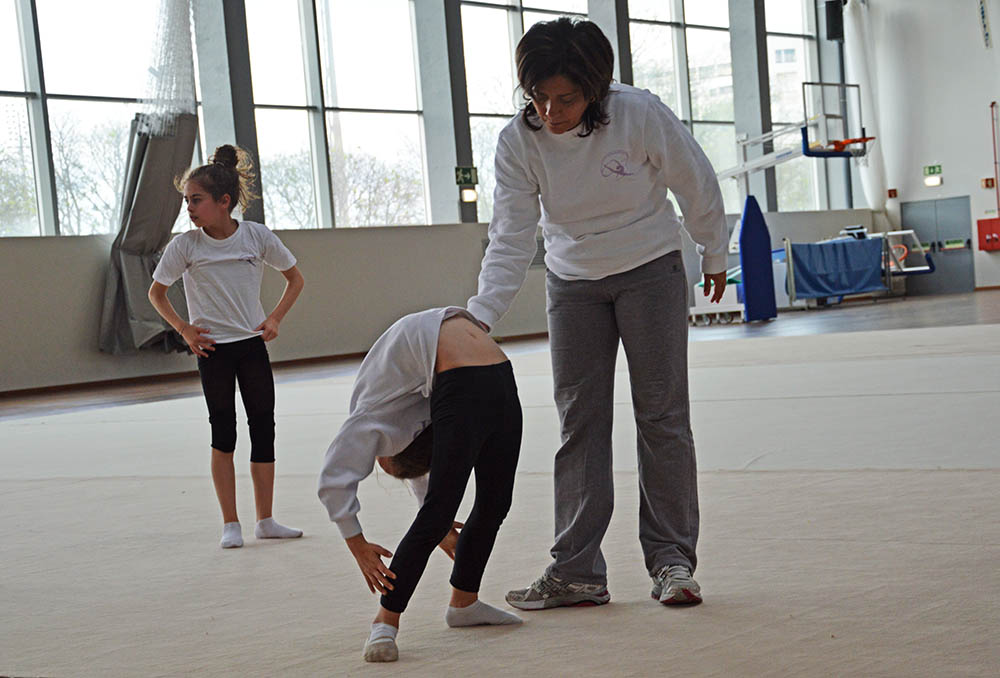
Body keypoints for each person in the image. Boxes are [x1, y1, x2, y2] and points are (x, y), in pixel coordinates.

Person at [466, 18, 728, 610]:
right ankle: (577, 569)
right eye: (538, 97)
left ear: (597, 88)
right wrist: (481, 313)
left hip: (650, 266)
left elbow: (695, 180)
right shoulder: (519, 141)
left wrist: (715, 252)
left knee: (661, 415)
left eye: (566, 98)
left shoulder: (637, 113)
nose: (551, 111)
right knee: (578, 421)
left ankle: (672, 562)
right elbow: (510, 236)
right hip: (573, 280)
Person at [318, 307, 523, 663]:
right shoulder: (384, 421)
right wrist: (356, 541)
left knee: (494, 503)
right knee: (437, 515)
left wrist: (435, 523)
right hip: (465, 376)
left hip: (495, 373)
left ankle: (464, 603)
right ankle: (385, 620)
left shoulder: (373, 412)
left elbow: (336, 476)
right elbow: (335, 482)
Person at [148, 144, 305, 549]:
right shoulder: (185, 246)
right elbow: (156, 293)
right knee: (224, 433)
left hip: (252, 346)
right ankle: (230, 522)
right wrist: (184, 329)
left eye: (196, 200)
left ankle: (266, 519)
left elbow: (295, 279)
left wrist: (274, 319)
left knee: (263, 428)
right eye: (186, 200)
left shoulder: (256, 237)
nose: (189, 208)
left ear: (224, 202)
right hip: (212, 351)